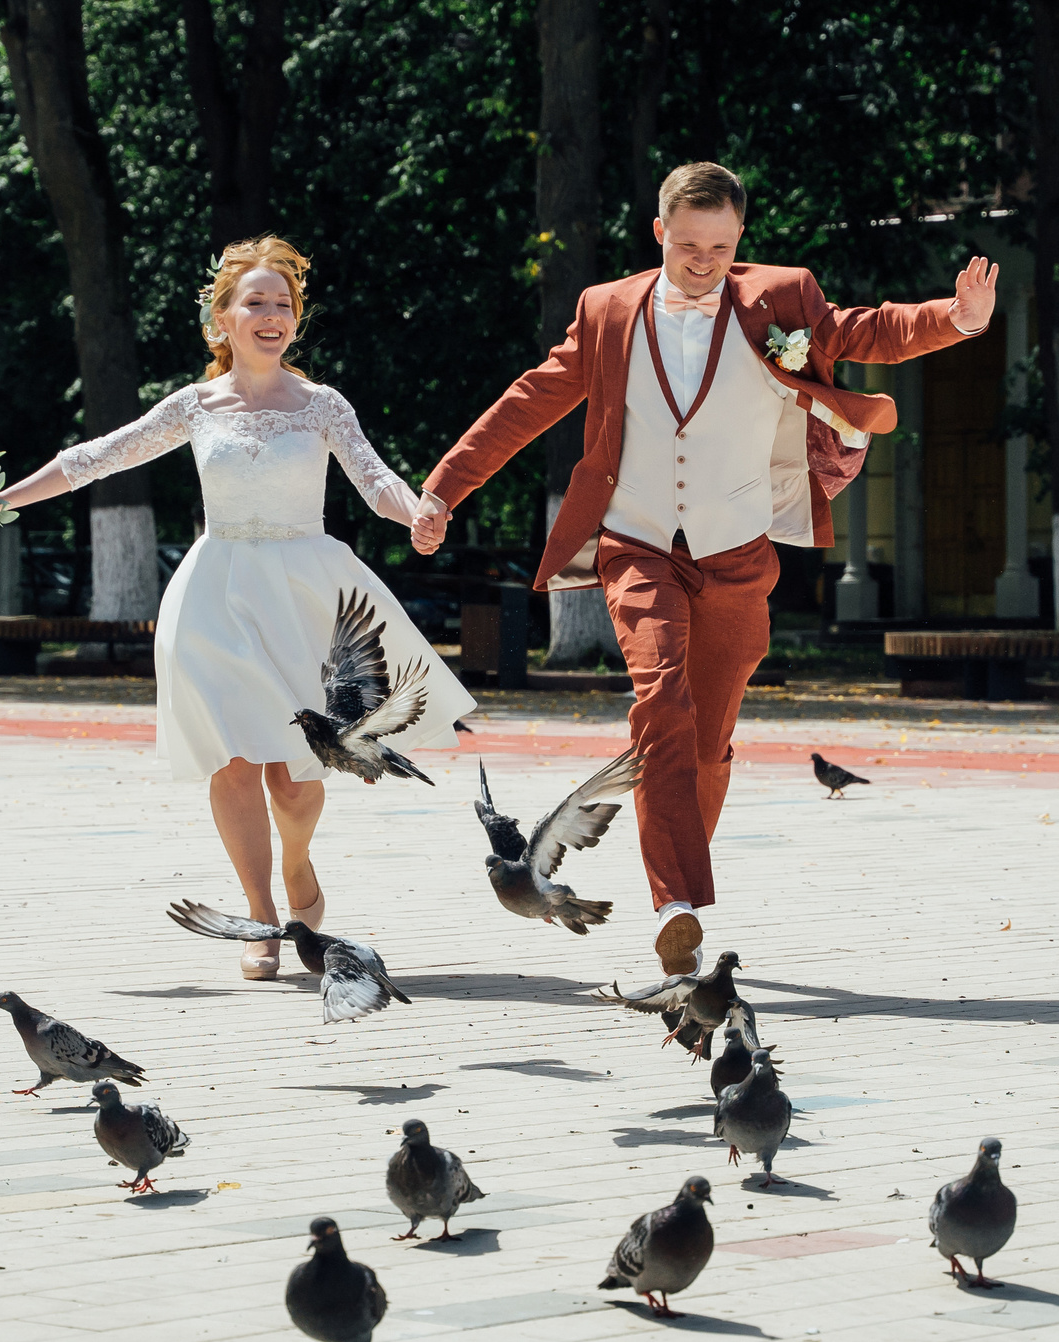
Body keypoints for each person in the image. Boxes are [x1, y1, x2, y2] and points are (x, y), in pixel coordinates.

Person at [412, 161, 994, 976]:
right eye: (688, 244)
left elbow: (864, 331)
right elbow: (530, 397)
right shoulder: (607, 309)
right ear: (659, 233)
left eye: (721, 245)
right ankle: (676, 902)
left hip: (737, 550)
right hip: (638, 541)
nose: (704, 261)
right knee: (662, 701)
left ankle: (678, 866)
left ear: (740, 239)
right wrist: (444, 487)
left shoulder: (783, 298)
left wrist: (955, 320)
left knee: (710, 740)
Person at [3, 236, 474, 978]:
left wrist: (417, 511)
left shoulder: (322, 405)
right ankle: (258, 915)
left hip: (305, 596)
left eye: (283, 304)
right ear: (220, 318)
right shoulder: (194, 406)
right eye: (254, 301)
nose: (271, 315)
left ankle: (296, 863)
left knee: (295, 774)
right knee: (233, 761)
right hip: (215, 597)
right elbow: (96, 456)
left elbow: (376, 479)